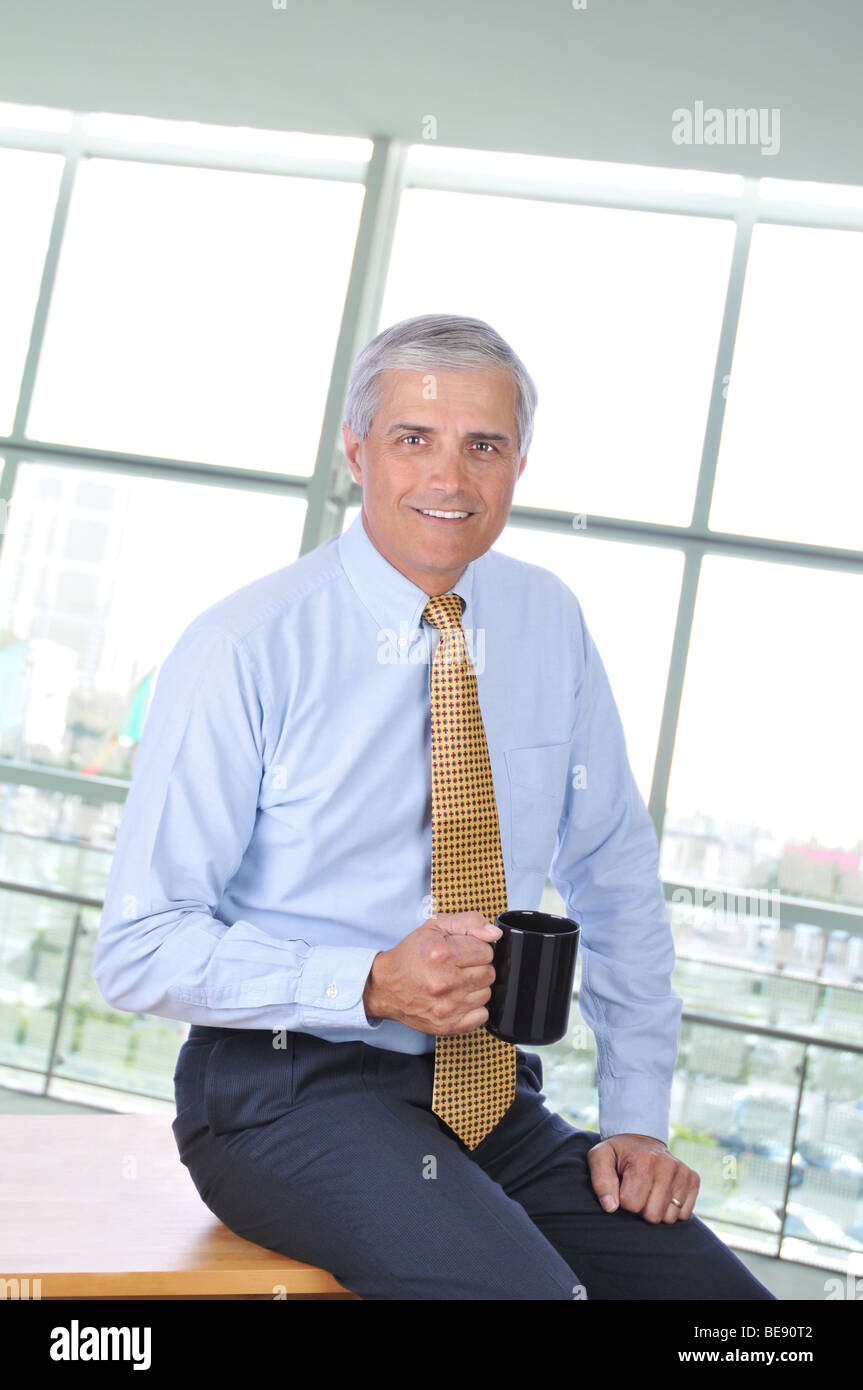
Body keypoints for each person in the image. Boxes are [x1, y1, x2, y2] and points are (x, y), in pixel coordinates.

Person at [94, 313, 775, 1301]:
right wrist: (366, 981)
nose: (448, 478)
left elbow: (613, 874)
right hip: (288, 1091)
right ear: (356, 450)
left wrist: (635, 1115)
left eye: (482, 446)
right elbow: (138, 944)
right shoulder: (244, 647)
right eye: (414, 437)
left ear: (516, 464)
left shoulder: (546, 620)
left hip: (486, 1095)